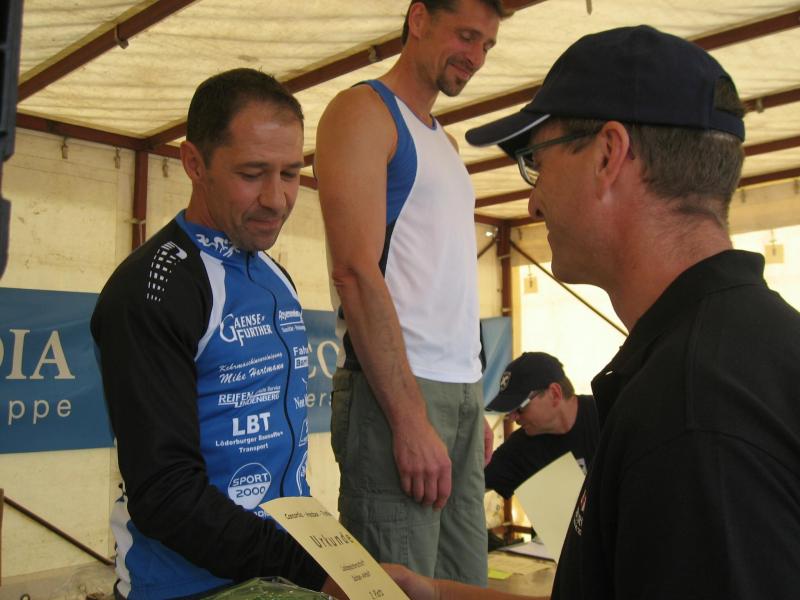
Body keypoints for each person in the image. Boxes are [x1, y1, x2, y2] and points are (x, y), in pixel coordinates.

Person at [386, 24, 800, 600]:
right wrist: (437, 595)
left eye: (536, 162)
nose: (533, 200)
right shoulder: (743, 347)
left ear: (608, 155)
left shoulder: (692, 412)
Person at [91, 69, 343, 599]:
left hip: (283, 573)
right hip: (185, 587)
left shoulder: (275, 276)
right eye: (252, 173)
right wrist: (308, 567)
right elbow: (165, 493)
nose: (277, 199)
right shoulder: (151, 288)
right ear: (194, 163)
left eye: (291, 173)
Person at [314, 0, 508, 585]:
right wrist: (409, 419)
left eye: (486, 45)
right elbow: (354, 272)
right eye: (466, 36)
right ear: (418, 19)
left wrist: (473, 404)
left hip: (459, 391)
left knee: (462, 587)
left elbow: (445, 278)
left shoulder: (445, 143)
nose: (476, 57)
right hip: (397, 392)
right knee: (393, 586)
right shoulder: (363, 111)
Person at [484, 352, 599, 500]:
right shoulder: (520, 449)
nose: (512, 418)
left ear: (555, 394)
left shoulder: (608, 416)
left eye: (519, 407)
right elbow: (472, 480)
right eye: (509, 410)